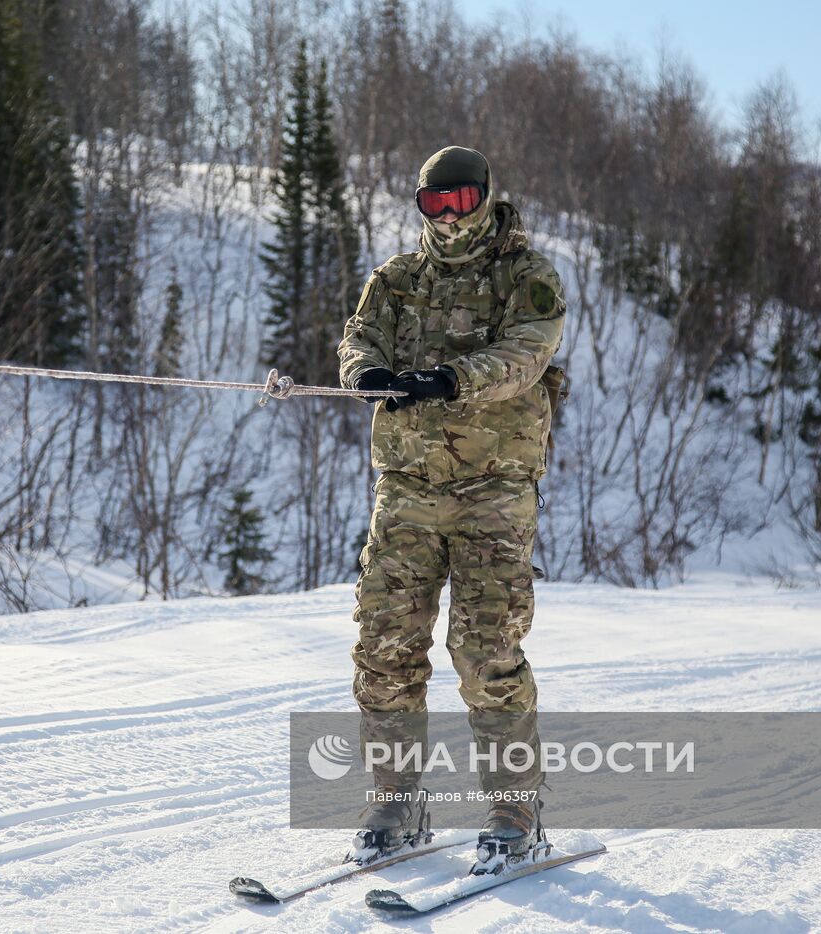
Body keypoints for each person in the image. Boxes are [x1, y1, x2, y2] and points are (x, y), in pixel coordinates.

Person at [337, 145, 566, 862]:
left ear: (486, 198)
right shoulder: (397, 281)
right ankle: (398, 802)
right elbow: (356, 339)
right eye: (433, 204)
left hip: (492, 491)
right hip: (406, 487)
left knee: (485, 649)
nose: (447, 216)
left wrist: (450, 380)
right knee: (384, 646)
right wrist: (365, 372)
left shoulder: (525, 277)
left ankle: (514, 810)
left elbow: (525, 356)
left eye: (460, 202)